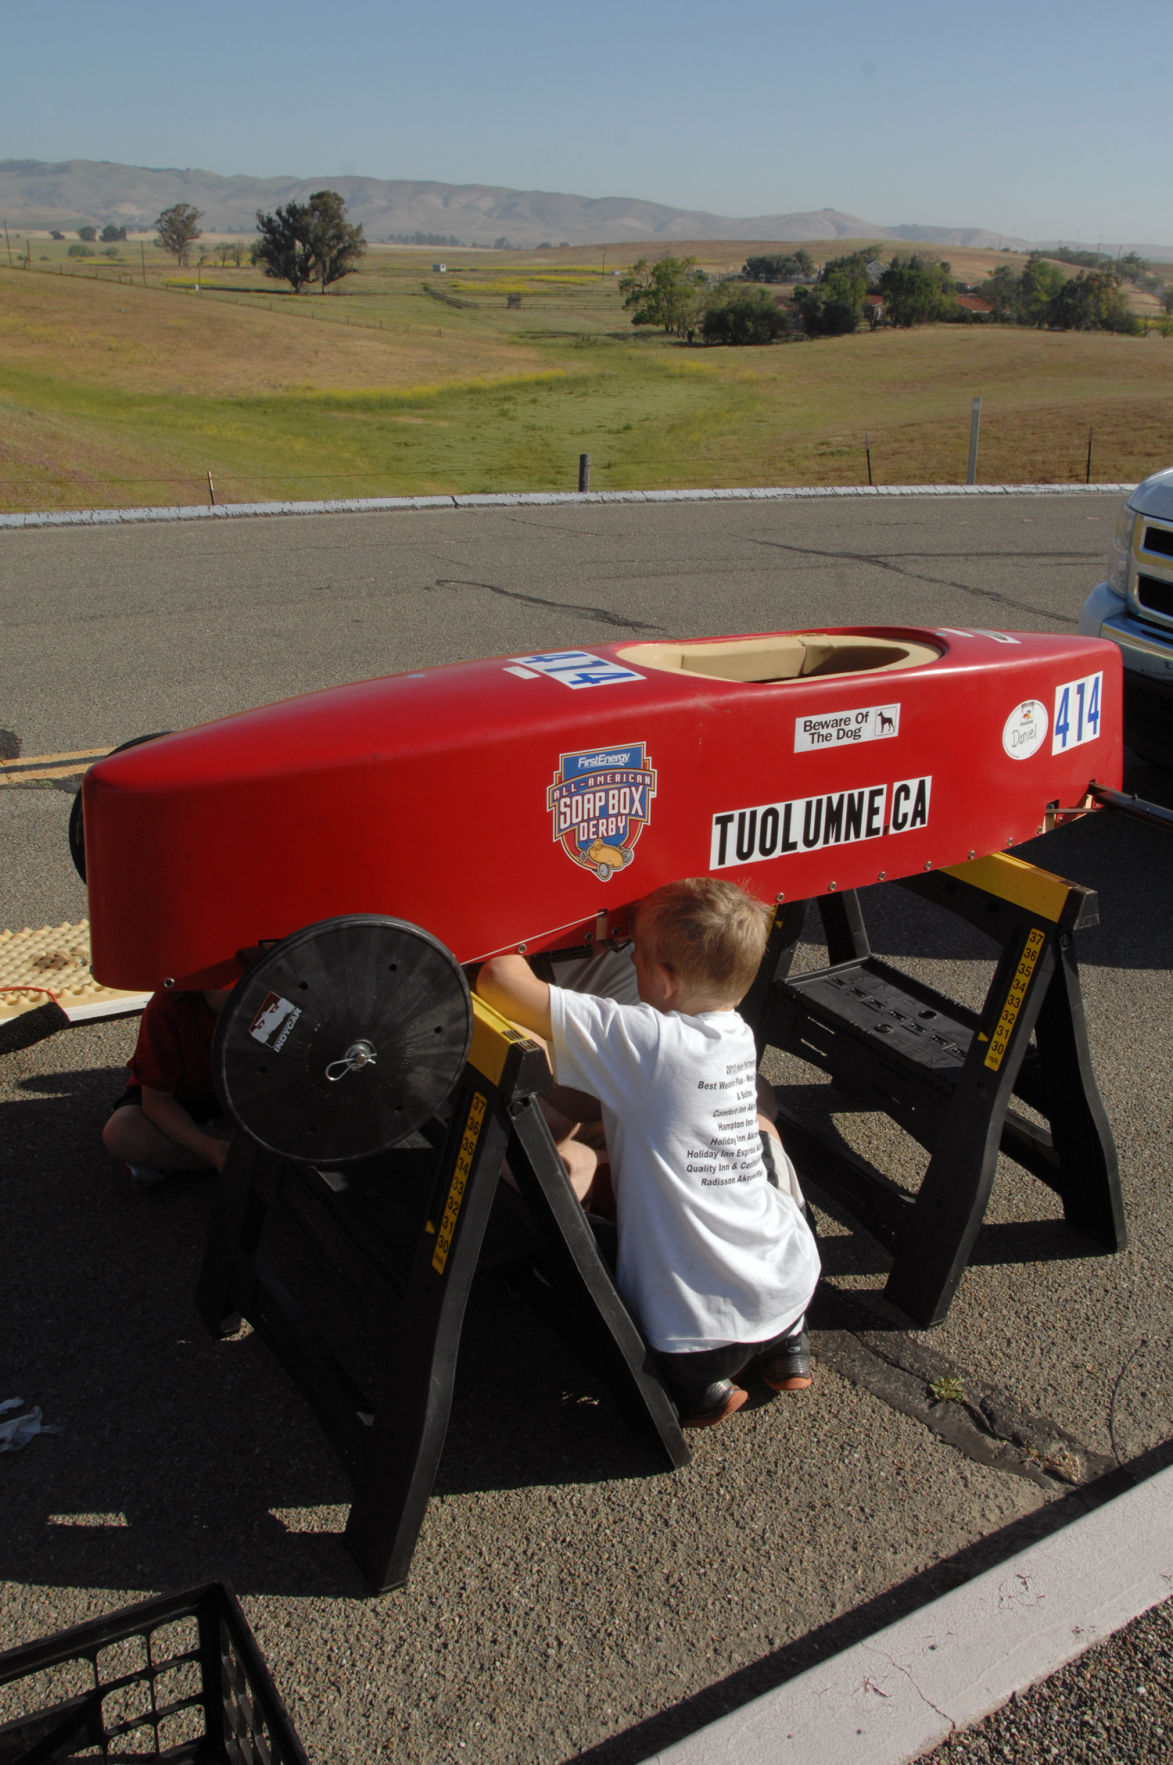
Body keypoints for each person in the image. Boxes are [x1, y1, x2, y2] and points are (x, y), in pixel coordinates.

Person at [477, 877, 820, 1428]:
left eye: (633, 956)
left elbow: (498, 979)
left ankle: (702, 1390)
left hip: (691, 1332)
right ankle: (787, 1348)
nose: (628, 963)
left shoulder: (644, 1040)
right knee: (763, 1136)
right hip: (787, 1287)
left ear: (663, 978)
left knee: (600, 1216)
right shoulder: (734, 1033)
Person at [102, 985, 234, 1186]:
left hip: (238, 1104)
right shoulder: (169, 1005)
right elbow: (157, 1102)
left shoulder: (275, 997)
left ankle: (234, 1157)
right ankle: (244, 1157)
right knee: (122, 1133)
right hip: (179, 1101)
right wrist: (209, 1148)